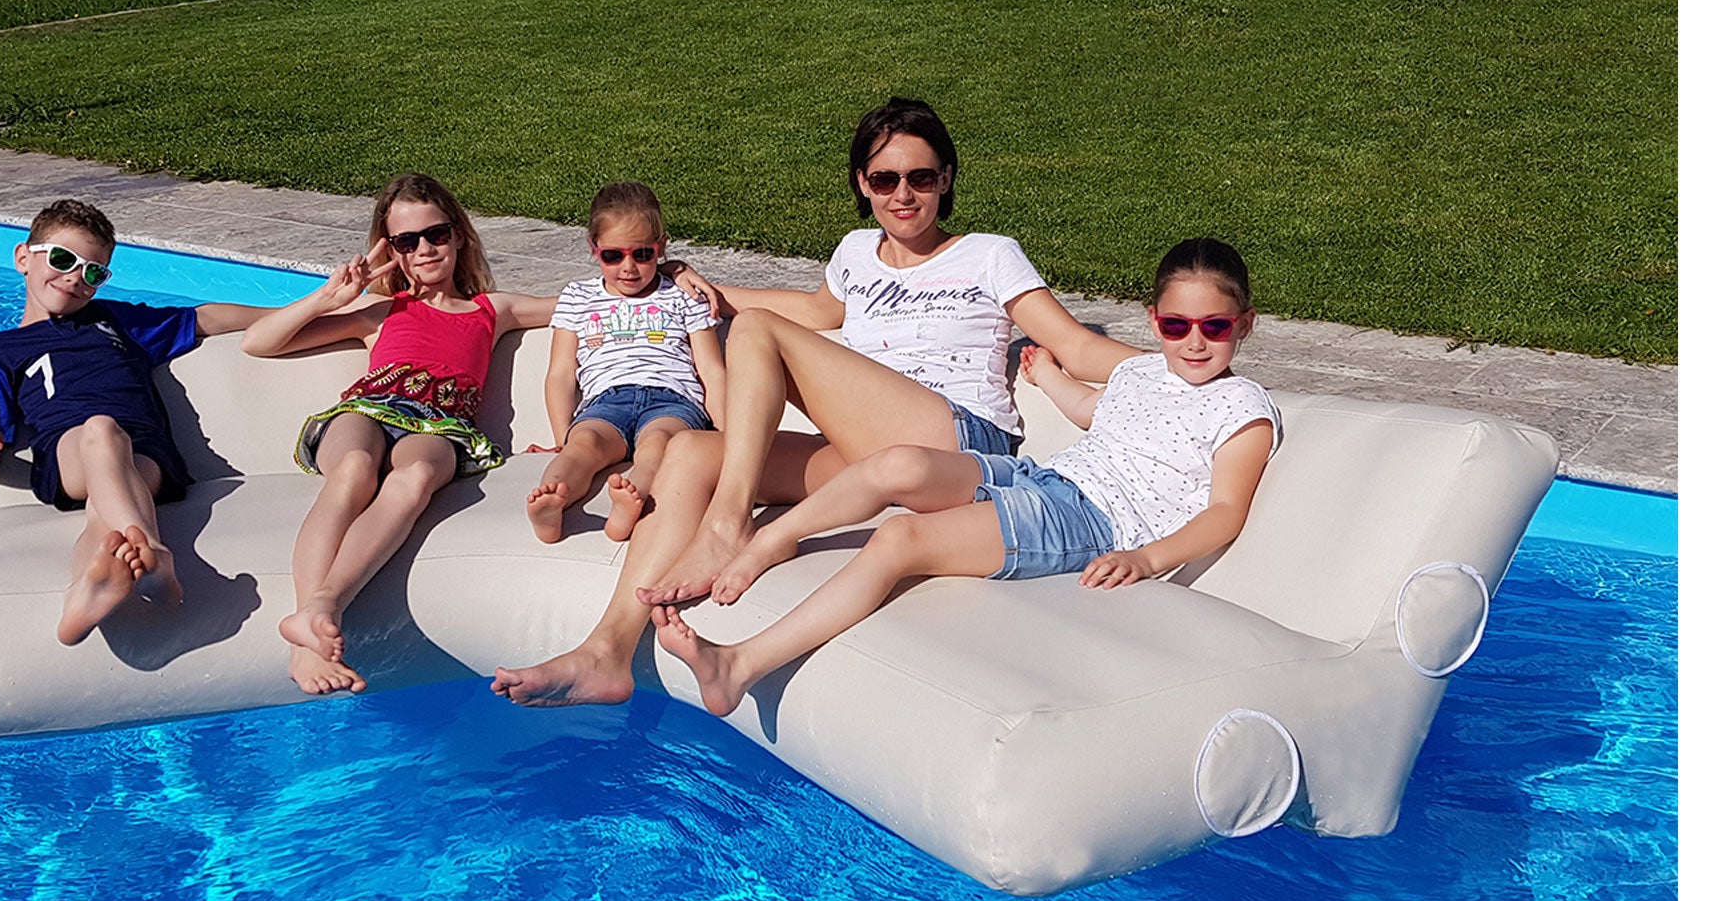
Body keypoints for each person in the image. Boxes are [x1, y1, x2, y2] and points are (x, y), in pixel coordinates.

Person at [491, 95, 1124, 706]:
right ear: (863, 183)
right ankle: (606, 651)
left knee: (757, 335)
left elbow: (1073, 343)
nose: (903, 195)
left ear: (947, 179)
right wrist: (694, 282)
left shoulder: (989, 254)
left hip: (956, 444)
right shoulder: (856, 252)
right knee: (688, 451)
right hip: (865, 454)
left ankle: (728, 524)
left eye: (921, 178)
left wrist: (1167, 355)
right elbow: (814, 312)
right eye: (885, 180)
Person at [651, 237, 1281, 715]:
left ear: (1246, 324)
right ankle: (765, 540)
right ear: (1154, 320)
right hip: (1042, 477)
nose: (1194, 342)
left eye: (1215, 327)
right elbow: (1097, 411)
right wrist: (1048, 377)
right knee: (897, 463)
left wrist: (1147, 558)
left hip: (1089, 522)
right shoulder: (1142, 371)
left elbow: (1225, 512)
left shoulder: (1242, 407)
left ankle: (739, 665)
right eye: (1176, 325)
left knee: (900, 539)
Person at [242, 171, 554, 696]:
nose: (425, 249)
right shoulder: (382, 311)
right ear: (391, 251)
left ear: (459, 235)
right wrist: (328, 298)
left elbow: (588, 302)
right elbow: (258, 341)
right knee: (353, 470)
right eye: (407, 242)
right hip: (369, 409)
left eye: (436, 234)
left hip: (441, 422)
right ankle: (305, 642)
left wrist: (669, 273)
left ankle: (324, 605)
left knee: (416, 476)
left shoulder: (491, 309)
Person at [0, 198, 266, 646]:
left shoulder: (113, 321)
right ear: (24, 257)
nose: (74, 277)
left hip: (147, 455)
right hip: (67, 457)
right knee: (99, 431)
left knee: (103, 516)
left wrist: (302, 311)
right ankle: (153, 553)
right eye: (62, 259)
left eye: (93, 273)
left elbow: (204, 318)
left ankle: (85, 591)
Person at [527, 181, 727, 544]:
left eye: (643, 254)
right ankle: (553, 499)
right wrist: (562, 436)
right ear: (593, 247)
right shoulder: (577, 297)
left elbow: (712, 370)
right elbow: (561, 373)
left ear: (661, 246)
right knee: (583, 444)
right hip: (606, 400)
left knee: (659, 444)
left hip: (672, 401)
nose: (629, 267)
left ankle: (632, 498)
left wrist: (725, 431)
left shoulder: (683, 295)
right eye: (613, 256)